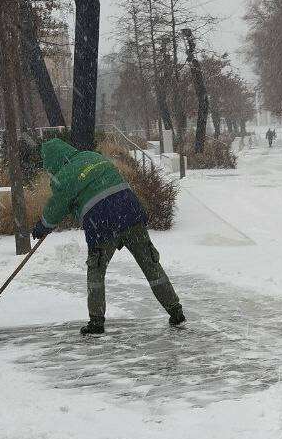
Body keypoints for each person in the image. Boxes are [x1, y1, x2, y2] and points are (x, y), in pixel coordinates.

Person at [31, 137, 185, 336]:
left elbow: (56, 206)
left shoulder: (62, 177)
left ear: (51, 162)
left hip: (101, 223)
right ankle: (176, 311)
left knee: (96, 271)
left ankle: (96, 323)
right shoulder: (93, 157)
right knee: (151, 264)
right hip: (130, 212)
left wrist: (43, 225)